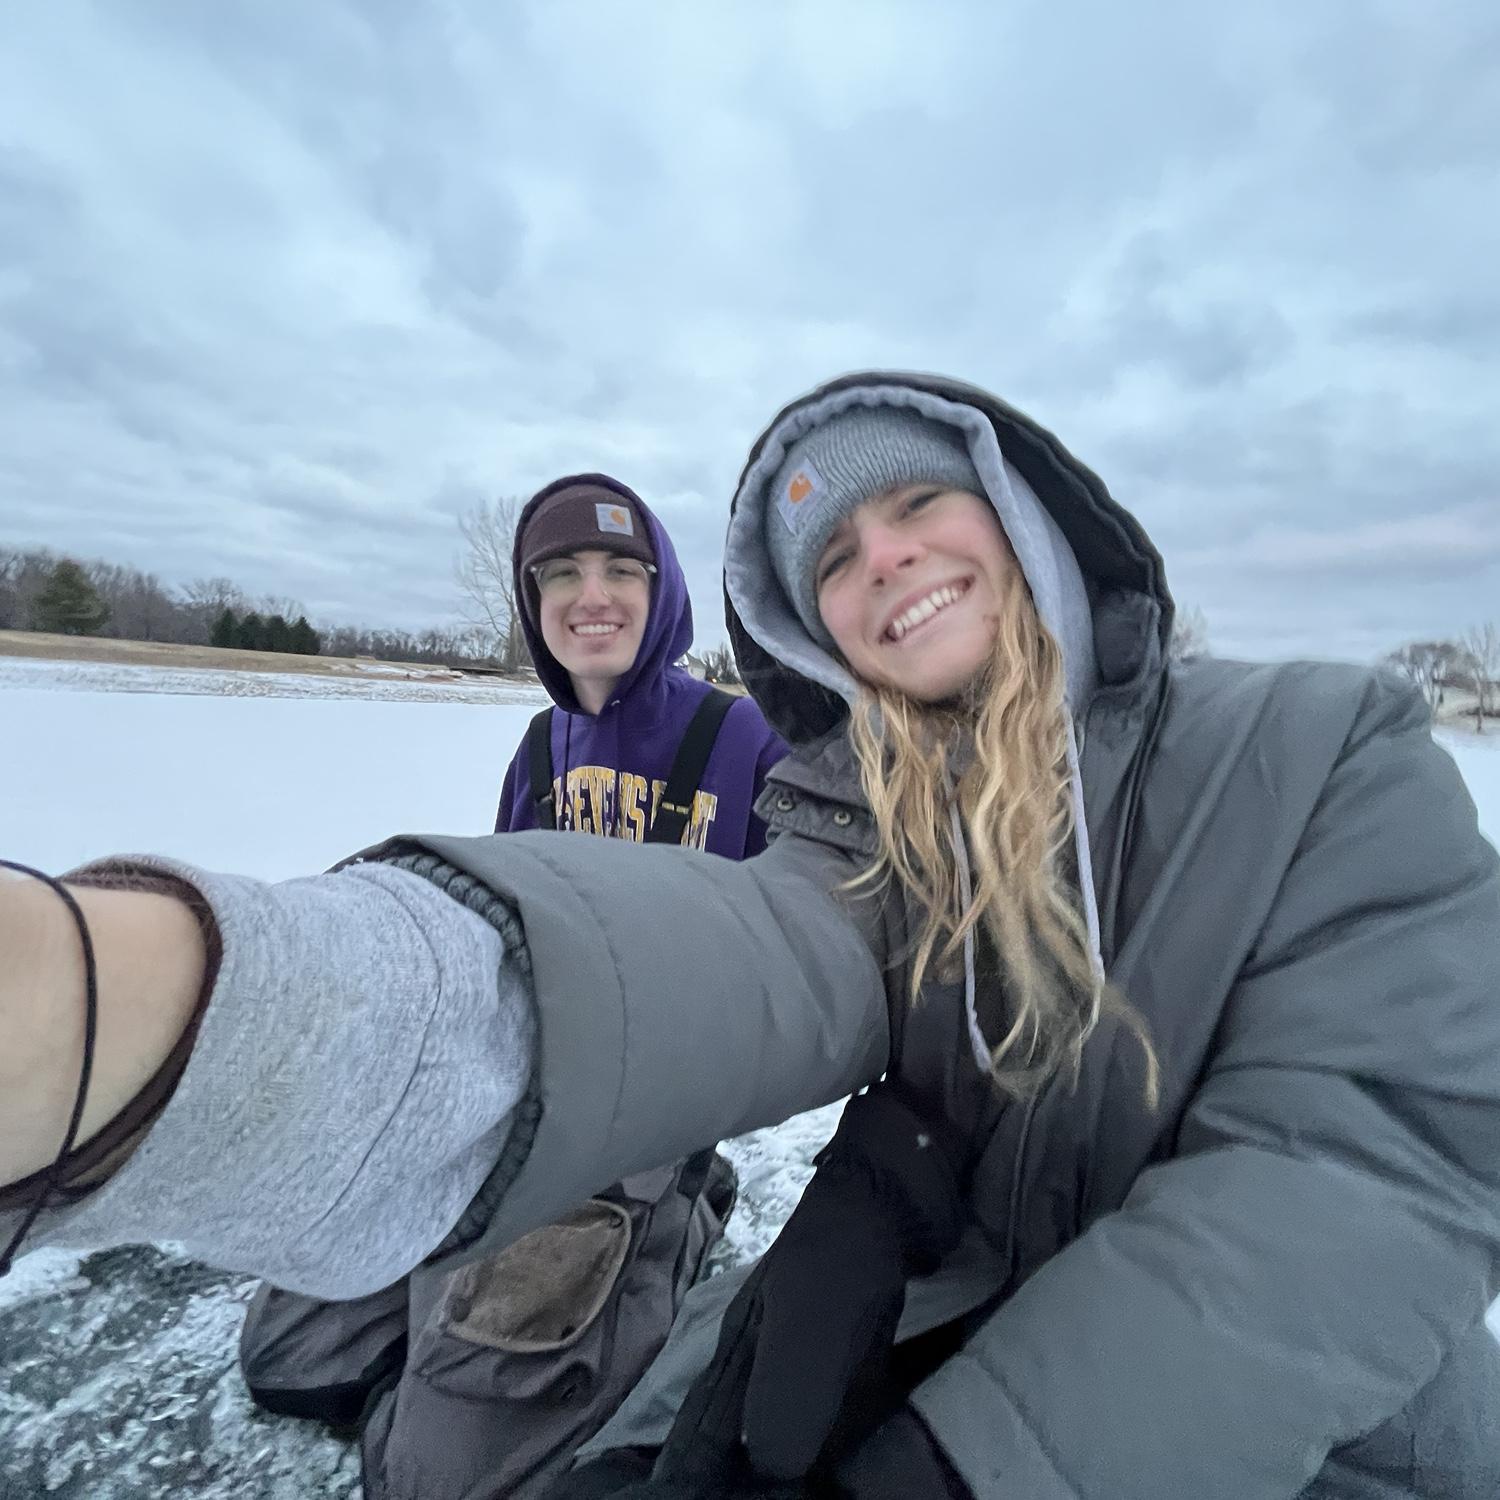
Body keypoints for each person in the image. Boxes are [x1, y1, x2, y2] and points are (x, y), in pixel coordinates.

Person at [3, 371, 1499, 1500]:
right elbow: (737, 952)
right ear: (813, 633)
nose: (884, 562)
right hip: (917, 1313)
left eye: (917, 506)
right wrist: (164, 1008)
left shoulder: (1323, 746)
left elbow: (1366, 1175)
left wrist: (971, 1462)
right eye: (835, 560)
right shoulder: (870, 821)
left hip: (1323, 1433)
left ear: (1025, 513)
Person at [236, 472, 786, 1499]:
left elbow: (814, 929)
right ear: (533, 605)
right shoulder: (541, 745)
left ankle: (677, 1219)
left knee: (440, 1478)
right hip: (527, 1080)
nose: (593, 594)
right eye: (562, 574)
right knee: (295, 1360)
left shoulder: (743, 738)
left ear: (661, 589)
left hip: (650, 1105)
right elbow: (504, 928)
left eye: (622, 569)